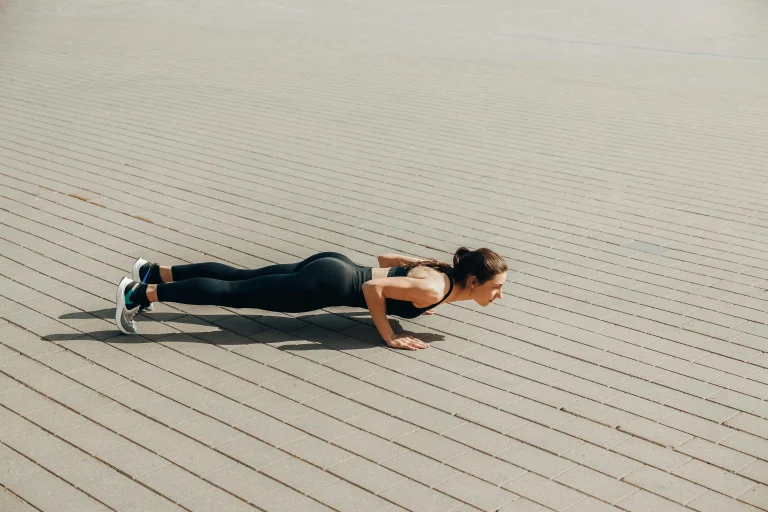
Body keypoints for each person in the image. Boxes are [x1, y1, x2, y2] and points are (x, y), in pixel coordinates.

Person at [115, 247, 508, 350]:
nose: (499, 295)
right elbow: (373, 290)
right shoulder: (434, 289)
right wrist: (387, 334)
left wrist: (411, 263)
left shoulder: (437, 271)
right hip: (322, 287)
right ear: (472, 280)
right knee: (235, 292)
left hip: (332, 264)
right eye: (496, 287)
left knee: (240, 276)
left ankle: (153, 272)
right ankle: (139, 293)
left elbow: (384, 263)